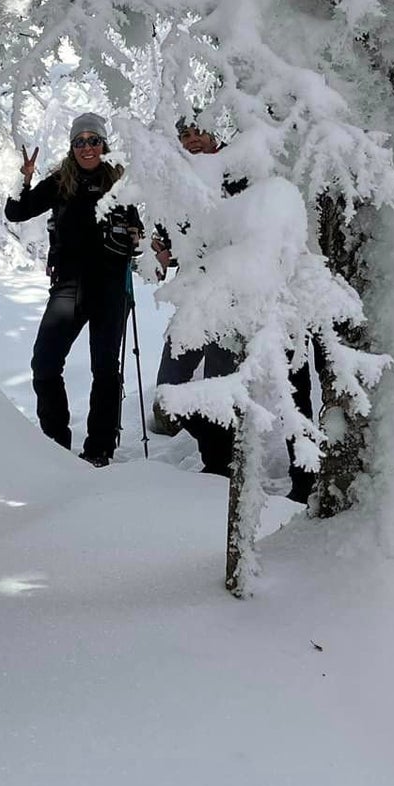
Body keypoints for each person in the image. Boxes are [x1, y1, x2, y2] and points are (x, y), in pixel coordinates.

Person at [152, 117, 316, 503]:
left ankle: (302, 477)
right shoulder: (184, 185)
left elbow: (263, 227)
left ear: (214, 133)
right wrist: (165, 251)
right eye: (185, 136)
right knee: (171, 388)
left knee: (290, 385)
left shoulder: (243, 171)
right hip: (209, 303)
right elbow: (184, 243)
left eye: (197, 131)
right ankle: (219, 463)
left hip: (265, 294)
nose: (192, 141)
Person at [5, 112, 142, 467]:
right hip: (68, 285)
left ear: (103, 144)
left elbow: (136, 231)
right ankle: (55, 442)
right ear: (71, 147)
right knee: (45, 363)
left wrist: (132, 237)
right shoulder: (60, 182)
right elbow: (17, 212)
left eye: (93, 140)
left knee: (105, 369)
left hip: (110, 286)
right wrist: (23, 179)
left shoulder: (119, 183)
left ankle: (99, 449)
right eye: (79, 141)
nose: (87, 147)